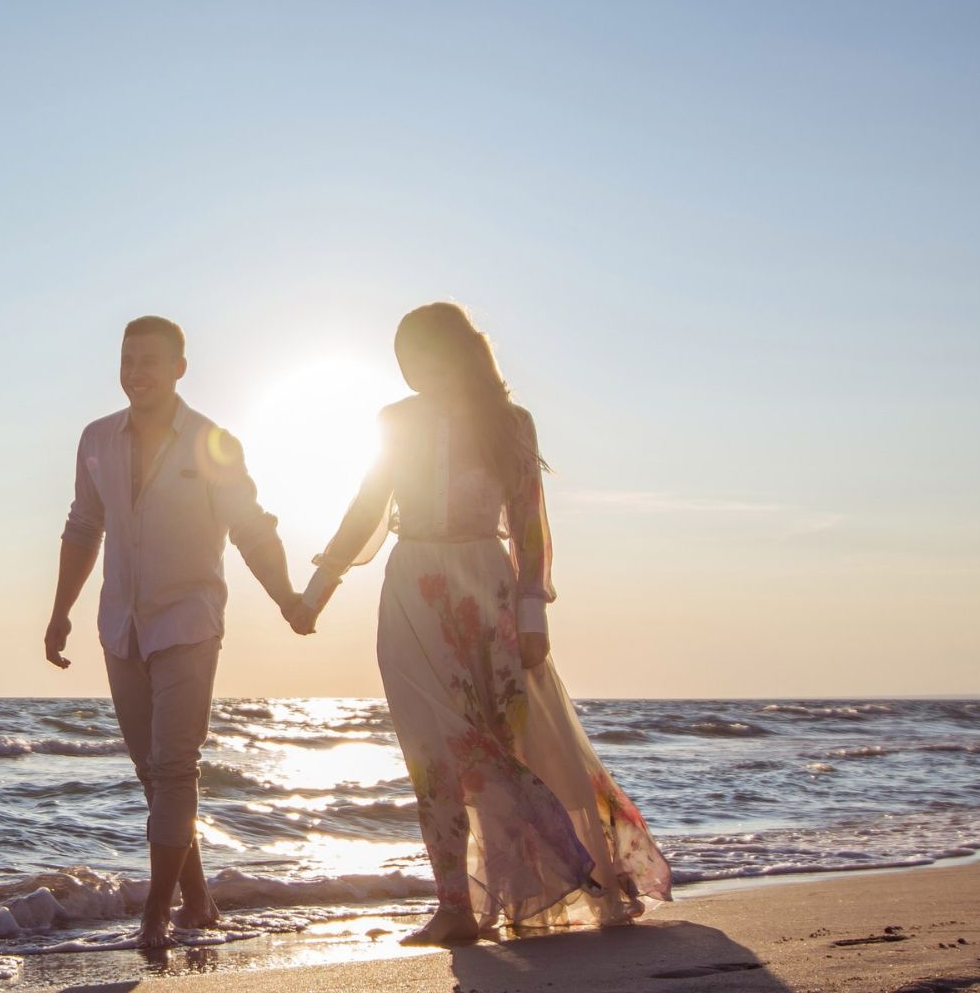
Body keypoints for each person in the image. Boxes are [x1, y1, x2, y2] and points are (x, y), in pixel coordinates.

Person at [294, 302, 672, 944]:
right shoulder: (394, 421)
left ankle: (576, 875)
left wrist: (532, 612)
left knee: (510, 742)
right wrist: (316, 591)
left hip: (487, 593)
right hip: (412, 592)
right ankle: (454, 907)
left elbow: (529, 523)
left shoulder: (508, 422)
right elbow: (365, 510)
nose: (409, 366)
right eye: (401, 355)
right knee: (429, 750)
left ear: (458, 352)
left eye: (420, 352)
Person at [45, 315, 302, 949]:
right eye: (127, 360)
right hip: (120, 626)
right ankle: (200, 900)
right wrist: (59, 612)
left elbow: (251, 528)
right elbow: (83, 526)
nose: (136, 373)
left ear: (180, 368)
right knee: (151, 772)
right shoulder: (97, 438)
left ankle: (156, 916)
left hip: (187, 622)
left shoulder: (214, 443)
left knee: (174, 769)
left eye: (150, 361)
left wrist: (289, 599)